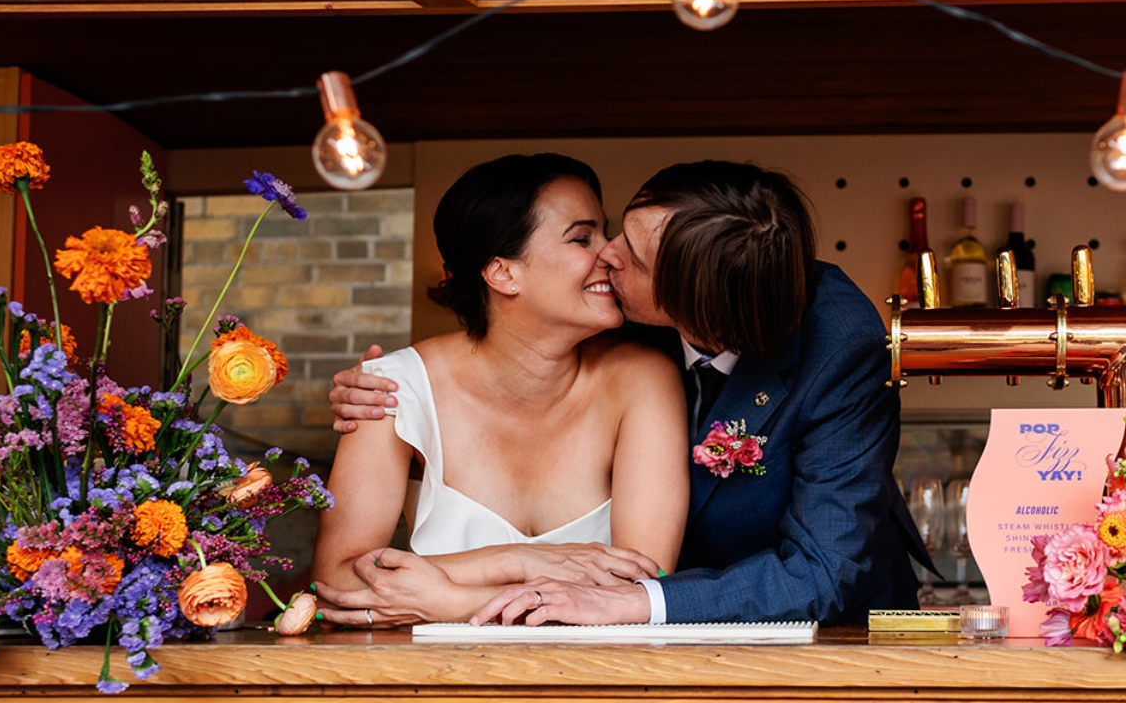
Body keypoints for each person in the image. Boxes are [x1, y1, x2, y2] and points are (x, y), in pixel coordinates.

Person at [332, 160, 926, 625]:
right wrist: (397, 395)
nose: (606, 257)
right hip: (638, 633)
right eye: (601, 233)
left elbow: (820, 571)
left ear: (689, 302)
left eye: (630, 257)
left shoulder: (836, 341)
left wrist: (631, 602)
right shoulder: (611, 312)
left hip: (818, 623)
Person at [311, 153, 688, 627]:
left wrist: (448, 599)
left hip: (603, 683)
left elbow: (644, 582)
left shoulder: (644, 378)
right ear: (502, 273)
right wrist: (518, 561)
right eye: (582, 238)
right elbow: (335, 585)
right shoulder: (390, 388)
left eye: (604, 232)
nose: (611, 252)